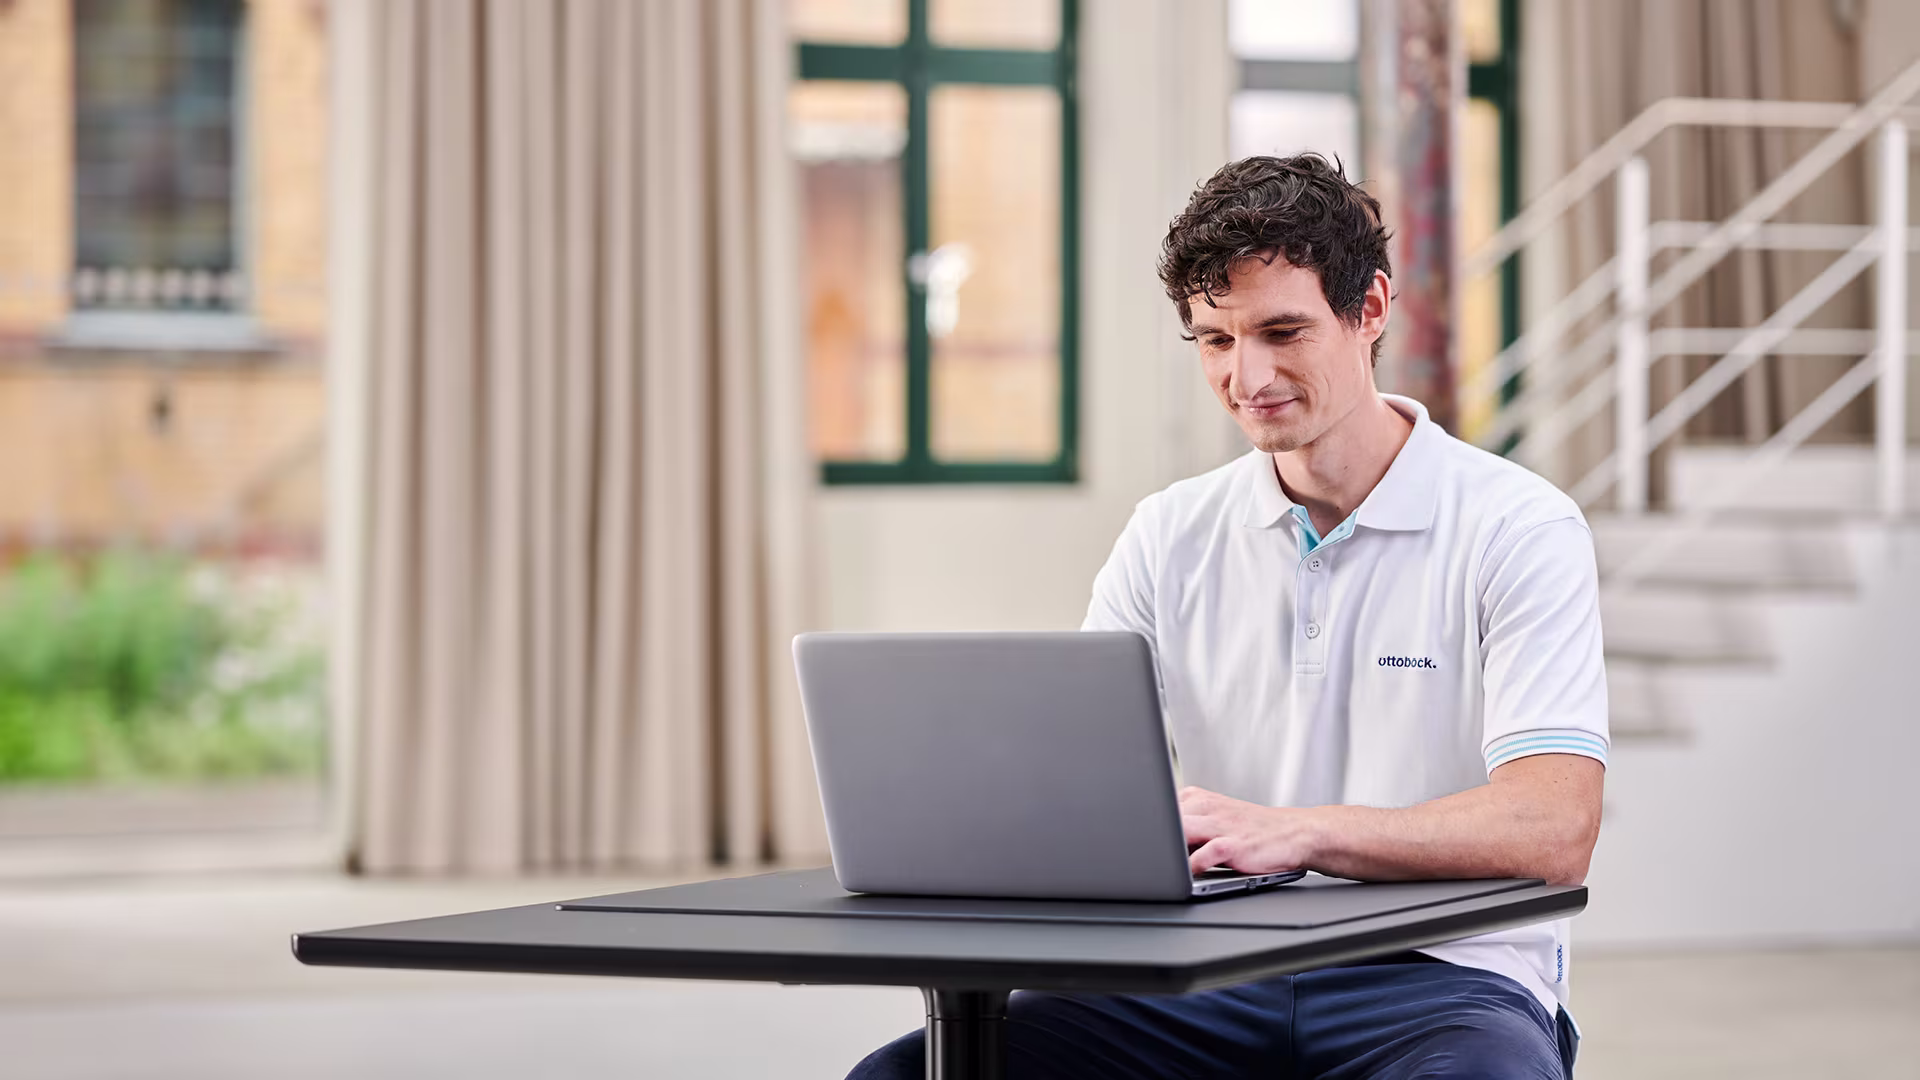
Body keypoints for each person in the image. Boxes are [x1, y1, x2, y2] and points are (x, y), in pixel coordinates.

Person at [848, 153, 1605, 1079]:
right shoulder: (1169, 533)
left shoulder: (1518, 527)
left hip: (1441, 979)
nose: (1249, 377)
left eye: (1283, 331)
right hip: (1204, 974)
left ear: (1368, 310)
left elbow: (1552, 830)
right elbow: (1084, 795)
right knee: (905, 1074)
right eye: (1215, 340)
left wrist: (1304, 830)